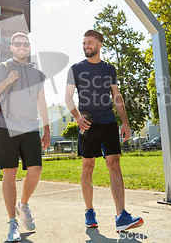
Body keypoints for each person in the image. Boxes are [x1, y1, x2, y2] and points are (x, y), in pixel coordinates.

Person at [65, 29, 144, 232]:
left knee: (114, 164)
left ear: (100, 44)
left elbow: (116, 97)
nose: (86, 46)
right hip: (87, 124)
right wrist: (77, 116)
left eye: (90, 42)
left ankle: (121, 216)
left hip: (108, 121)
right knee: (88, 166)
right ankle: (89, 211)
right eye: (84, 43)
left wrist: (124, 122)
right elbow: (68, 97)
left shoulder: (110, 69)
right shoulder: (75, 68)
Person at [0, 32, 50, 242]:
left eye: (25, 44)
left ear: (29, 48)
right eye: (18, 44)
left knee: (36, 171)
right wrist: (8, 80)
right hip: (6, 127)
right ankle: (12, 222)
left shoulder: (37, 73)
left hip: (31, 128)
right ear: (11, 47)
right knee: (9, 173)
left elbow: (42, 102)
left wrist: (46, 129)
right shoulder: (1, 68)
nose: (22, 47)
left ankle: (24, 204)